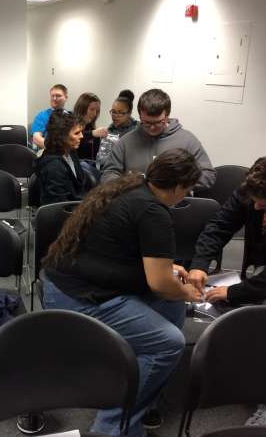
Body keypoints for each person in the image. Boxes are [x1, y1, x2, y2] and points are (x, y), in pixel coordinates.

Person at [42, 148, 203, 437]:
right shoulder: (154, 212)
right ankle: (111, 425)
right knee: (169, 342)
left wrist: (169, 269)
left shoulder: (130, 188)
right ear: (178, 186)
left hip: (65, 285)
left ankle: (142, 384)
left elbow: (125, 253)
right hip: (78, 298)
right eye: (188, 189)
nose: (187, 196)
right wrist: (187, 292)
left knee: (171, 309)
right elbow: (160, 285)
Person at [101, 88, 216, 192]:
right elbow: (109, 173)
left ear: (167, 116)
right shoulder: (126, 142)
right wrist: (126, 185)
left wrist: (176, 183)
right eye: (146, 122)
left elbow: (208, 175)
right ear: (140, 116)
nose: (152, 127)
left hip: (175, 207)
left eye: (158, 122)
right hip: (135, 206)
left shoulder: (187, 140)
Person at [189, 157, 266, 304]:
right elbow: (220, 226)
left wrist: (234, 292)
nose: (255, 207)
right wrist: (200, 263)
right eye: (254, 201)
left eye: (263, 206)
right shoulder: (247, 190)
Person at [34, 110, 87, 205]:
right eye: (77, 133)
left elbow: (79, 187)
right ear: (62, 136)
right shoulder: (53, 167)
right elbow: (59, 206)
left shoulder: (70, 151)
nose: (82, 136)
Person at [30, 84, 68, 150]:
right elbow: (36, 139)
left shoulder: (70, 116)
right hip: (50, 153)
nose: (54, 98)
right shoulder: (42, 116)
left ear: (66, 97)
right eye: (52, 96)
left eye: (58, 96)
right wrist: (56, 150)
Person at [72, 92, 108, 160]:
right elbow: (70, 140)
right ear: (82, 109)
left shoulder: (91, 127)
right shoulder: (70, 124)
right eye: (92, 109)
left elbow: (94, 156)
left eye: (97, 111)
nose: (94, 114)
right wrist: (92, 133)